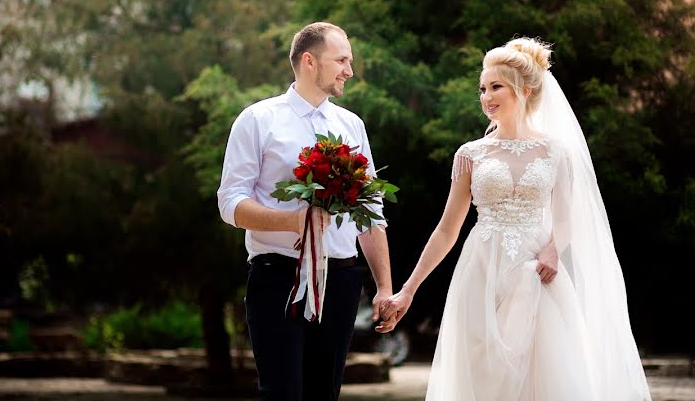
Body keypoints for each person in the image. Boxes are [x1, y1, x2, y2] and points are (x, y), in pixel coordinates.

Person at [380, 37, 651, 401]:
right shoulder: (470, 155)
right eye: (482, 88)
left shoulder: (556, 152)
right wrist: (408, 290)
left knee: (545, 374)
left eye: (495, 87)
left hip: (539, 272)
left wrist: (554, 250)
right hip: (482, 270)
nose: (486, 96)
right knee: (483, 375)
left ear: (523, 90)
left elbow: (568, 216)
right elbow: (447, 229)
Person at [218, 22, 395, 401]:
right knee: (281, 394)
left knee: (324, 395)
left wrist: (384, 287)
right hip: (278, 279)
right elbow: (230, 203)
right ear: (309, 61)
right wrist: (294, 221)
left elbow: (371, 210)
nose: (349, 70)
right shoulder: (257, 120)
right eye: (342, 60)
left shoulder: (352, 125)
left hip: (343, 281)